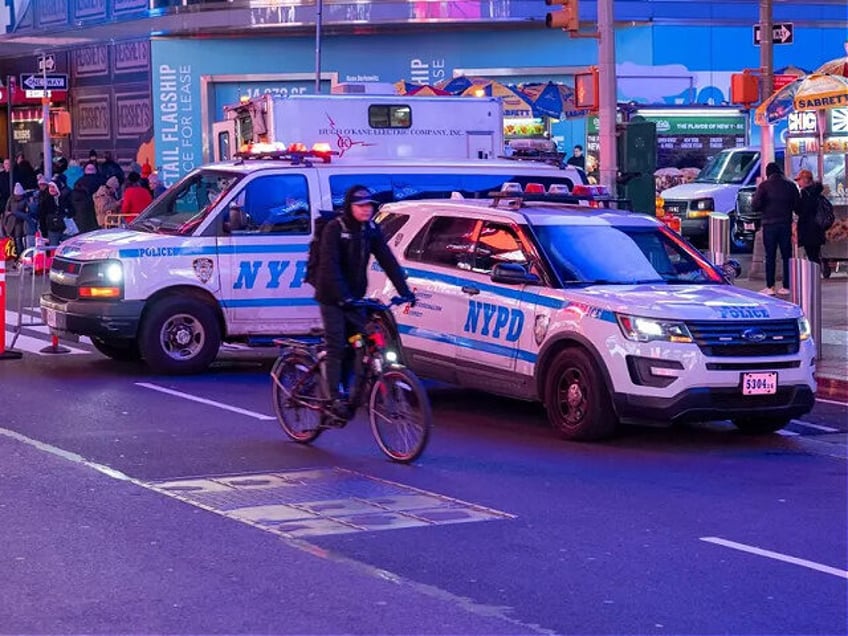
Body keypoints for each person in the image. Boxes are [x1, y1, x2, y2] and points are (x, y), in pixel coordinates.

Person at [312, 185, 415, 420]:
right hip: (331, 296)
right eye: (360, 206)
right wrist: (343, 296)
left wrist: (405, 291)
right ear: (350, 207)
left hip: (355, 297)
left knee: (358, 343)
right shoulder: (334, 229)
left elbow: (387, 260)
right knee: (337, 344)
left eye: (368, 205)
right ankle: (333, 397)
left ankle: (349, 391)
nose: (366, 210)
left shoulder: (370, 229)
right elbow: (330, 267)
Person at [751, 162, 799, 296]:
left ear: (768, 173)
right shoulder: (790, 185)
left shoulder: (764, 186)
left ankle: (770, 286)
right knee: (786, 256)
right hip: (785, 224)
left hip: (769, 225)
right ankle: (787, 285)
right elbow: (797, 205)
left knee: (770, 256)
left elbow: (755, 205)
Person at [794, 169, 827, 265]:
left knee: (811, 255)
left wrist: (796, 204)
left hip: (808, 228)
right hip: (818, 227)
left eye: (799, 180)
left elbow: (802, 210)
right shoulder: (817, 192)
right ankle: (817, 271)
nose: (798, 183)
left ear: (805, 180)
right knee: (815, 253)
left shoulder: (806, 194)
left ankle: (815, 276)